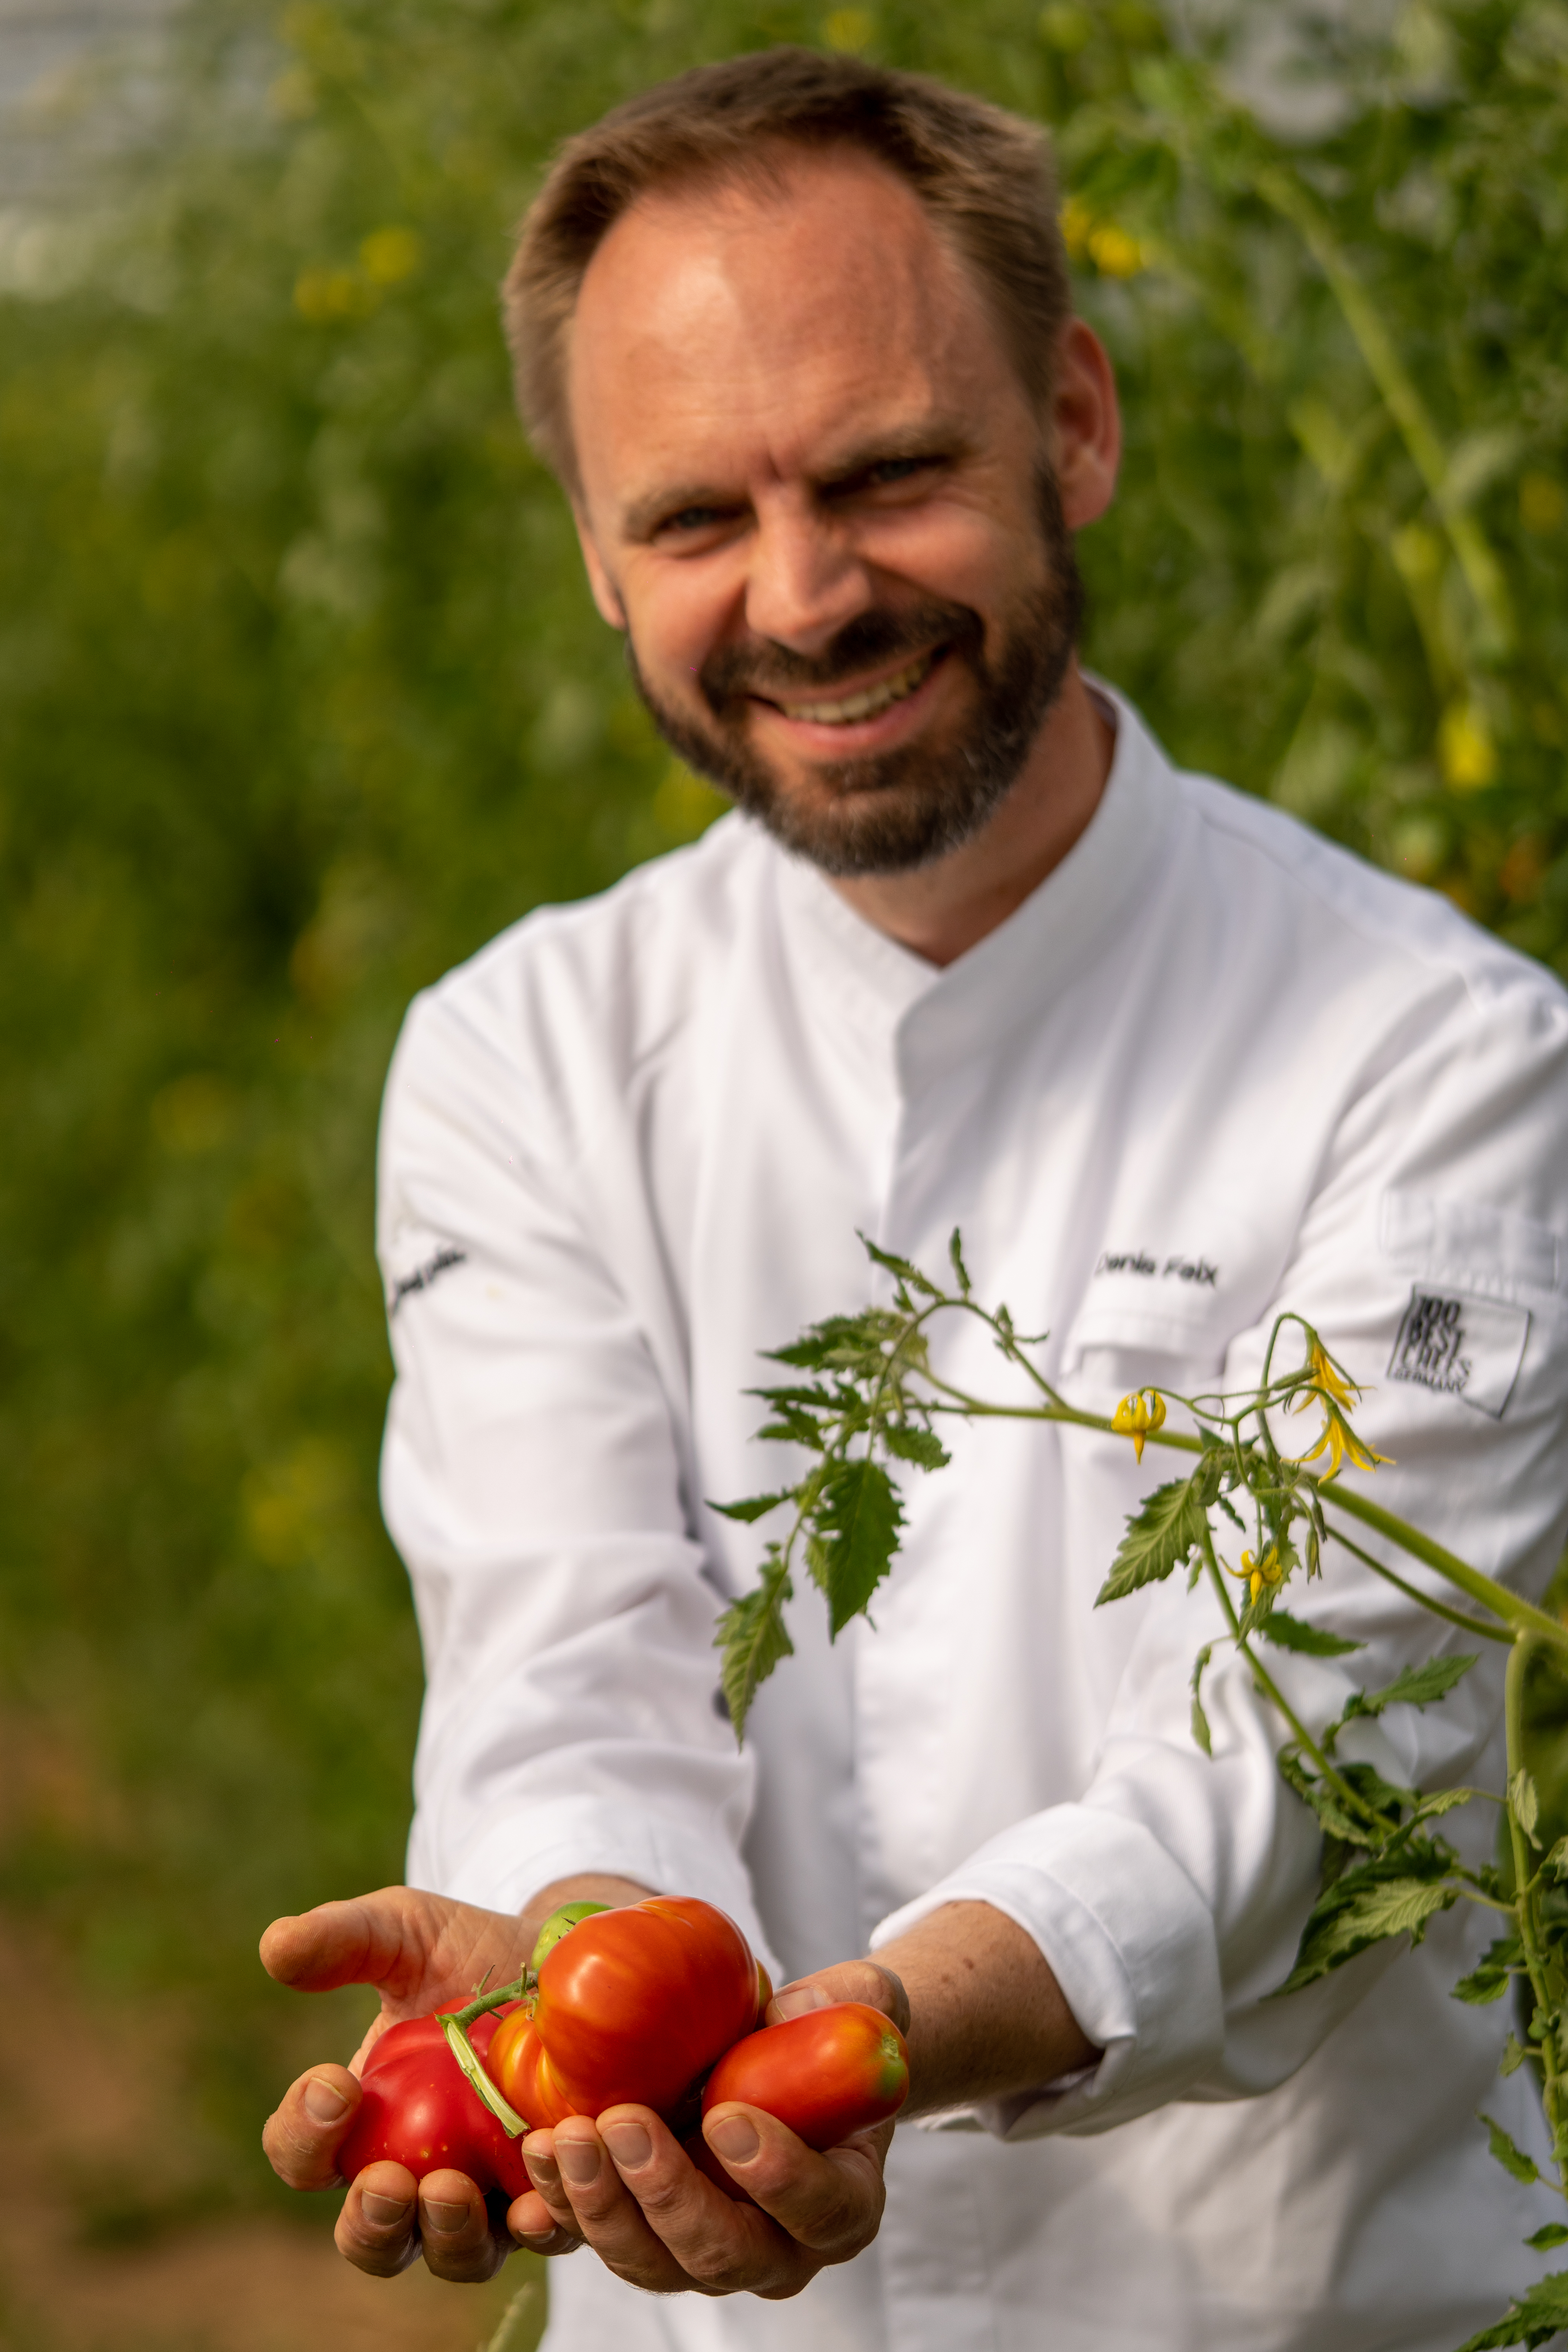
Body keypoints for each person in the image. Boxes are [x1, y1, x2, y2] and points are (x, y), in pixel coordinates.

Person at [260, 47, 1568, 2352]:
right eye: (691, 520)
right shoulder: (523, 1056)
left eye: (886, 475)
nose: (803, 595)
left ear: (1073, 423)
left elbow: (1299, 1748)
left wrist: (857, 2044)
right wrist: (590, 2026)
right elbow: (567, 1654)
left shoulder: (1442, 1058)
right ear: (596, 554)